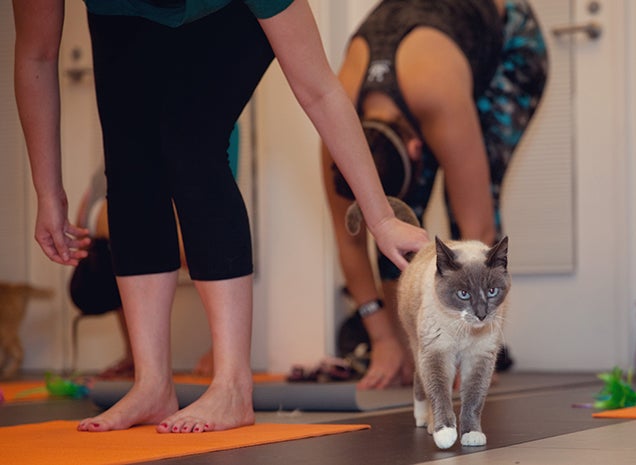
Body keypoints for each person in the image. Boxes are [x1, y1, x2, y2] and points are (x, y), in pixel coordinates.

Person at [13, 0, 428, 433]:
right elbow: (35, 55)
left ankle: (232, 386)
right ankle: (151, 384)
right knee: (130, 158)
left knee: (190, 143)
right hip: (122, 13)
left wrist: (380, 219)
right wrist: (48, 190)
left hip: (233, 11)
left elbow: (319, 90)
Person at [322, 0, 548, 389]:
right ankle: (406, 350)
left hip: (505, 36)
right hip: (427, 45)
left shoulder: (437, 98)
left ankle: (475, 346)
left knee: (468, 221)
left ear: (417, 150)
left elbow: (479, 226)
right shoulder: (337, 133)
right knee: (402, 229)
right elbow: (350, 239)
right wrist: (384, 339)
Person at [70, 168, 214, 378]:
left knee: (200, 257)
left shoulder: (109, 226)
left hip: (126, 195)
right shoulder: (98, 228)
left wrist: (220, 354)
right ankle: (138, 356)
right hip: (117, 199)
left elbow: (214, 267)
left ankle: (142, 357)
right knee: (131, 265)